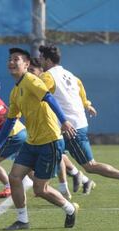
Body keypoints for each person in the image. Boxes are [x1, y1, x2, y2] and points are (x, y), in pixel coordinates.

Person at [0, 48, 79, 230]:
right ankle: (22, 220)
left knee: (39, 189)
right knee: (14, 177)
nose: (11, 62)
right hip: (32, 141)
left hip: (50, 140)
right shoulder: (15, 91)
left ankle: (70, 209)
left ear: (26, 64)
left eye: (16, 59)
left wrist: (64, 121)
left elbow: (49, 97)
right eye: (10, 59)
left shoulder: (31, 80)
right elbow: (11, 121)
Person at [38, 44, 119, 198]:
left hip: (70, 127)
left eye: (41, 57)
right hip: (74, 124)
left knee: (90, 165)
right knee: (56, 153)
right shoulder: (69, 75)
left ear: (47, 59)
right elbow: (80, 89)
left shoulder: (47, 76)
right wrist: (87, 104)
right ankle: (65, 187)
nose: (39, 60)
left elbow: (36, 92)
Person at [29, 57, 96, 195]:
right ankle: (79, 178)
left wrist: (86, 104)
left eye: (32, 70)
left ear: (41, 70)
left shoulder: (45, 80)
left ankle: (65, 188)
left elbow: (78, 85)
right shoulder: (33, 84)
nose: (29, 73)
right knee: (59, 154)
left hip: (59, 125)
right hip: (51, 126)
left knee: (57, 153)